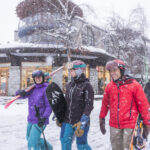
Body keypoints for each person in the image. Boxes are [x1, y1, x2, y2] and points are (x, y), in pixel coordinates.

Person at [99, 59, 150, 150]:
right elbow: (105, 104)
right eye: (110, 71)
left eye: (115, 70)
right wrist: (102, 118)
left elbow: (143, 106)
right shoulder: (110, 86)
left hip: (130, 126)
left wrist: (147, 124)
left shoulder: (134, 85)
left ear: (122, 70)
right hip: (114, 126)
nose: (112, 73)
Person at [59, 60, 94, 150]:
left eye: (72, 70)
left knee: (81, 145)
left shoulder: (87, 86)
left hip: (80, 121)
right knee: (64, 141)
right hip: (67, 120)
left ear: (79, 71)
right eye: (70, 70)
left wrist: (83, 120)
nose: (70, 72)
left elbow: (89, 105)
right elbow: (66, 102)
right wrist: (59, 114)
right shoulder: (69, 85)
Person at [16, 70, 53, 150]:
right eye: (36, 78)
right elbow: (21, 95)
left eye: (40, 77)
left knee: (32, 144)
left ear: (43, 78)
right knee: (29, 138)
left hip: (40, 120)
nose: (38, 79)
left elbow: (49, 106)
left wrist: (44, 117)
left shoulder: (47, 89)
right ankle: (48, 148)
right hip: (31, 119)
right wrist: (19, 92)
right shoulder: (33, 89)